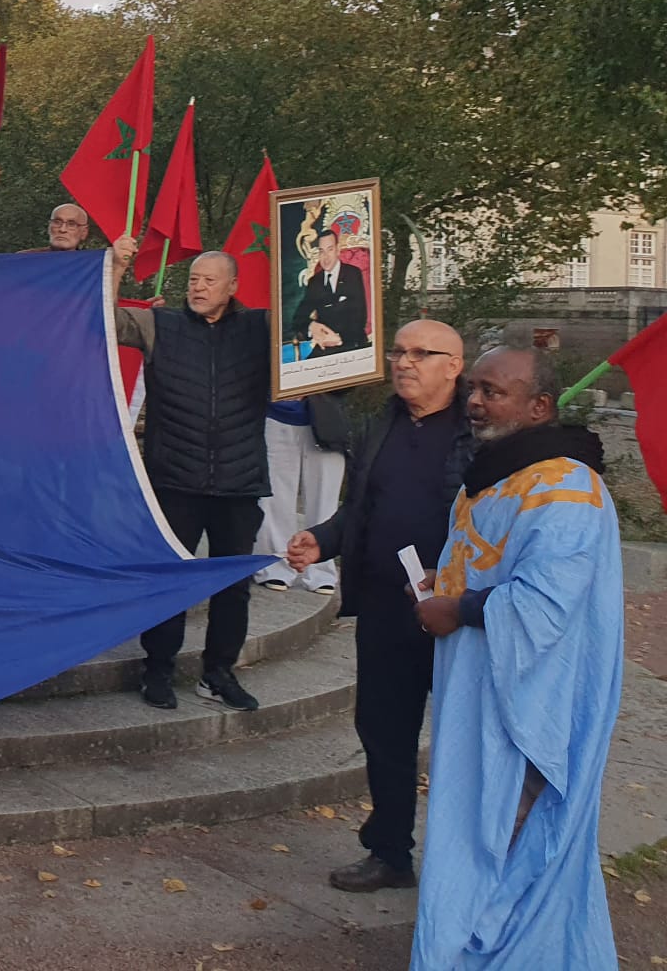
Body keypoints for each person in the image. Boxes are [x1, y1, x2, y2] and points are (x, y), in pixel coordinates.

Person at [409, 346, 622, 970]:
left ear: (539, 407)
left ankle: (508, 952)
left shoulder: (567, 487)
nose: (475, 402)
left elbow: (546, 602)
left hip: (529, 699)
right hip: (477, 686)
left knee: (513, 827)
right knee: (474, 824)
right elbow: (482, 562)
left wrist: (458, 610)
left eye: (493, 392)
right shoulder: (497, 475)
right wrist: (436, 581)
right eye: (473, 388)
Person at [287, 319, 470, 893]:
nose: (404, 362)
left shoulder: (479, 432)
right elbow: (361, 506)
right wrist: (325, 537)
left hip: (460, 616)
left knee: (467, 736)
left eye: (421, 353)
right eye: (398, 352)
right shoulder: (379, 426)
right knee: (385, 733)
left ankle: (468, 862)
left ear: (454, 366)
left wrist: (462, 588)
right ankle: (391, 852)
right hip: (389, 609)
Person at [110, 240, 271, 713]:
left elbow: (316, 333)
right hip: (175, 477)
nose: (198, 287)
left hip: (239, 482)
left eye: (209, 280)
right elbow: (105, 320)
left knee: (232, 587)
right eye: (194, 279)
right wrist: (117, 266)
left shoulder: (261, 329)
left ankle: (218, 674)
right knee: (170, 580)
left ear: (233, 287)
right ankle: (157, 669)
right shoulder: (162, 324)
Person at [253, 391, 348, 594]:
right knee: (274, 498)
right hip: (275, 413)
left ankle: (322, 570)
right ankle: (275, 565)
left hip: (326, 419)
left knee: (325, 499)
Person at [287, 228, 369, 356]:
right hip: (324, 348)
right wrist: (311, 327)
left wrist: (338, 338)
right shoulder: (315, 281)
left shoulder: (353, 274)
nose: (325, 257)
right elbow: (298, 319)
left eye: (330, 250)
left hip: (352, 343)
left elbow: (360, 318)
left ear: (337, 250)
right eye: (321, 251)